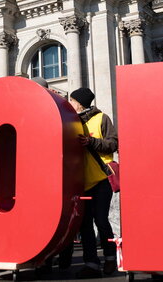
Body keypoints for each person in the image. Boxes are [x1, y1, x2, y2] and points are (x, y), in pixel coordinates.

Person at [68, 87, 118, 279]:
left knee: (101, 220)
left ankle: (110, 256)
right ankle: (91, 264)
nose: (70, 104)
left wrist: (91, 142)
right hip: (81, 180)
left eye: (72, 100)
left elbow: (113, 143)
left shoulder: (102, 118)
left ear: (79, 102)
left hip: (101, 178)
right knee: (85, 223)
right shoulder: (71, 121)